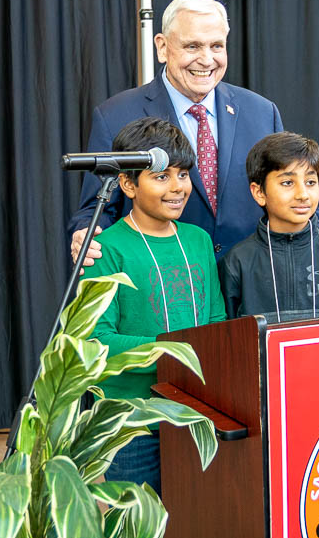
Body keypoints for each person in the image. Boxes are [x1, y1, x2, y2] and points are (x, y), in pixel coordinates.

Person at [68, 0, 319, 271]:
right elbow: (98, 208)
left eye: (217, 46)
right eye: (193, 46)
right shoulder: (115, 115)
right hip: (165, 288)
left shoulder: (261, 112)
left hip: (250, 287)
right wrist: (86, 234)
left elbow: (288, 189)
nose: (207, 59)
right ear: (161, 47)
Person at [83, 117, 226, 493]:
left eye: (182, 174)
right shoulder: (107, 249)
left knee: (195, 528)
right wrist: (170, 349)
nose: (177, 187)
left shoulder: (197, 240)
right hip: (134, 422)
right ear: (128, 184)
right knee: (138, 535)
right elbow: (96, 340)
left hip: (195, 414)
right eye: (161, 177)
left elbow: (217, 319)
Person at [218, 132, 319, 323]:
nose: (303, 194)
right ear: (259, 192)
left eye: (310, 182)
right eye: (287, 183)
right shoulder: (236, 262)